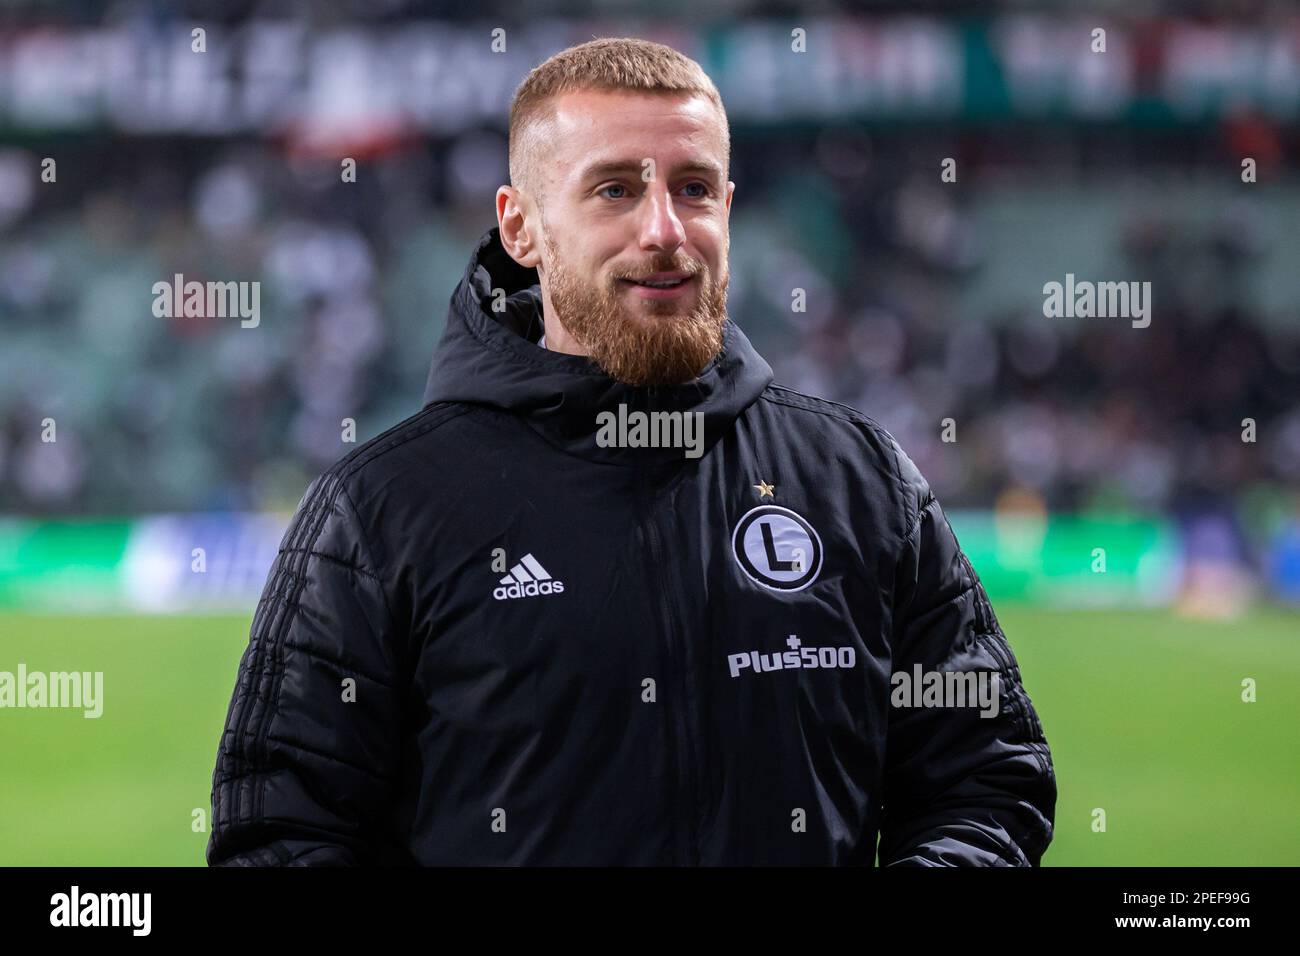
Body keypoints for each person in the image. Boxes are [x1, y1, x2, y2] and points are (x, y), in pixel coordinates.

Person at [207, 37, 1055, 866]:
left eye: (694, 188)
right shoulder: (380, 510)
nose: (664, 230)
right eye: (614, 189)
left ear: (728, 207)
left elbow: (985, 782)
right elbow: (280, 835)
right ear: (521, 228)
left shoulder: (859, 481)